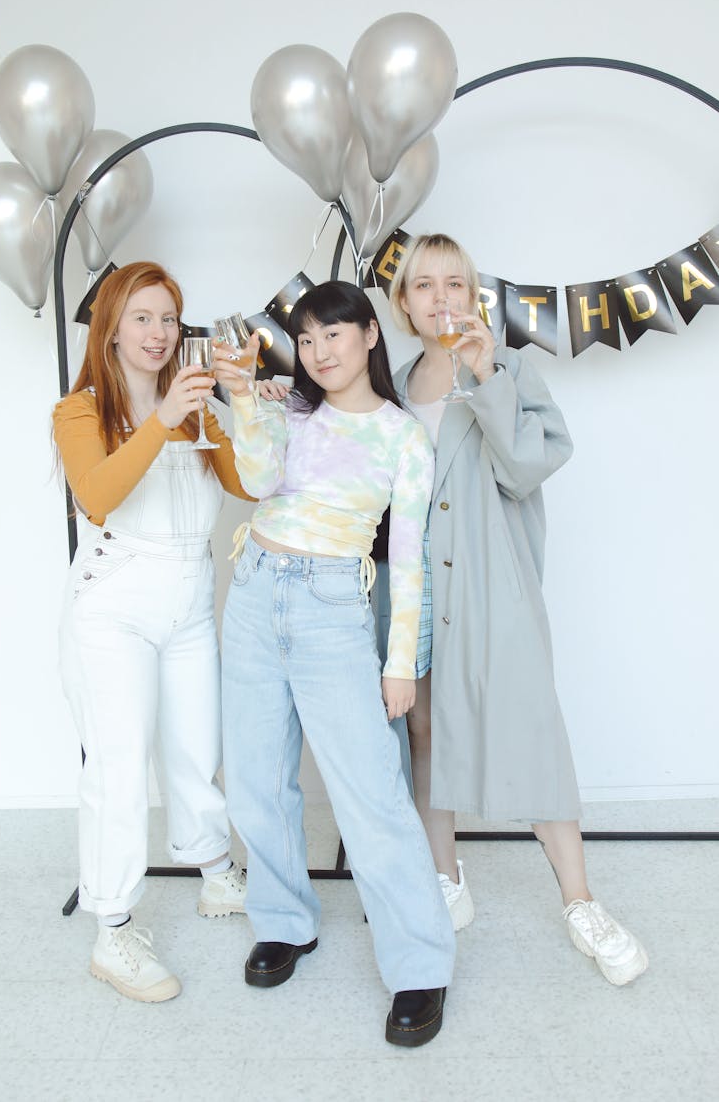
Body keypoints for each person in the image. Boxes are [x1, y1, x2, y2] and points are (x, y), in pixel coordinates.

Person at [384, 233, 648, 986]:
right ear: (403, 302)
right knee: (424, 728)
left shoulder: (508, 368)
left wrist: (486, 374)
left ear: (475, 297)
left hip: (493, 579)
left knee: (531, 724)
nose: (441, 298)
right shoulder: (394, 385)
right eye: (424, 285)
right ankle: (446, 878)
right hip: (413, 587)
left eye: (455, 284)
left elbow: (532, 464)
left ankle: (580, 901)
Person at [213, 280, 455, 1047]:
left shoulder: (402, 436)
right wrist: (243, 399)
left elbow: (411, 561)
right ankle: (286, 921)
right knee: (254, 776)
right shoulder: (291, 409)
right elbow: (256, 483)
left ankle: (420, 964)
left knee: (372, 796)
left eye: (333, 336)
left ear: (369, 338)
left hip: (331, 608)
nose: (319, 353)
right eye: (308, 339)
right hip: (254, 590)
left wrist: (399, 662)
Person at [53, 262, 252, 1003]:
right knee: (117, 764)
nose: (160, 332)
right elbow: (98, 497)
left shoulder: (196, 407)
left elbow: (249, 485)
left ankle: (213, 873)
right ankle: (113, 927)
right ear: (110, 324)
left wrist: (245, 409)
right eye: (142, 317)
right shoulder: (80, 411)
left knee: (198, 748)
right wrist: (166, 415)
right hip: (114, 602)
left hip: (191, 595)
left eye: (169, 318)